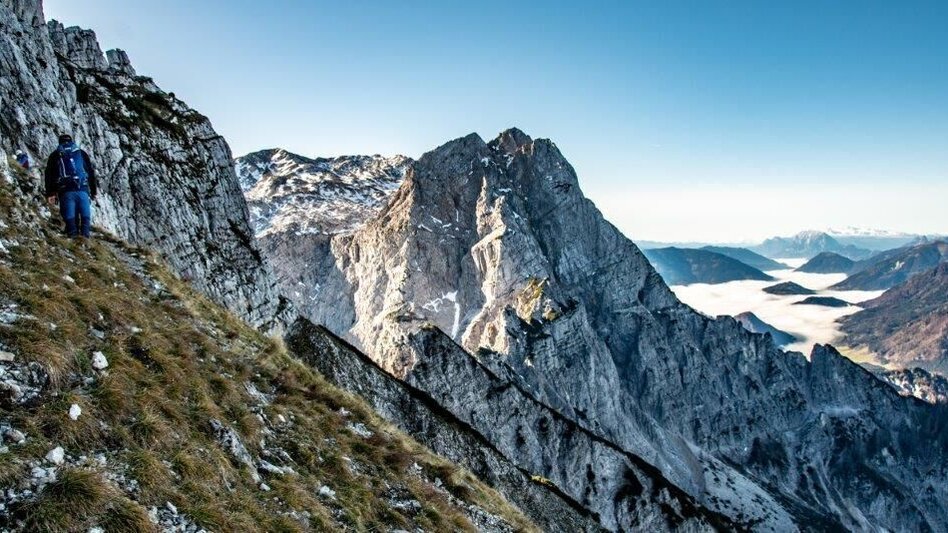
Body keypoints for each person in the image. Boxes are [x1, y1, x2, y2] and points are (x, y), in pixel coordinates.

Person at [44, 134, 97, 239]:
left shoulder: (55, 155)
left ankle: (73, 241)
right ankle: (85, 241)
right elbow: (90, 172)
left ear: (59, 142)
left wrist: (51, 193)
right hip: (82, 189)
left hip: (66, 192)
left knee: (70, 218)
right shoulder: (81, 153)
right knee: (85, 217)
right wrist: (93, 191)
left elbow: (49, 175)